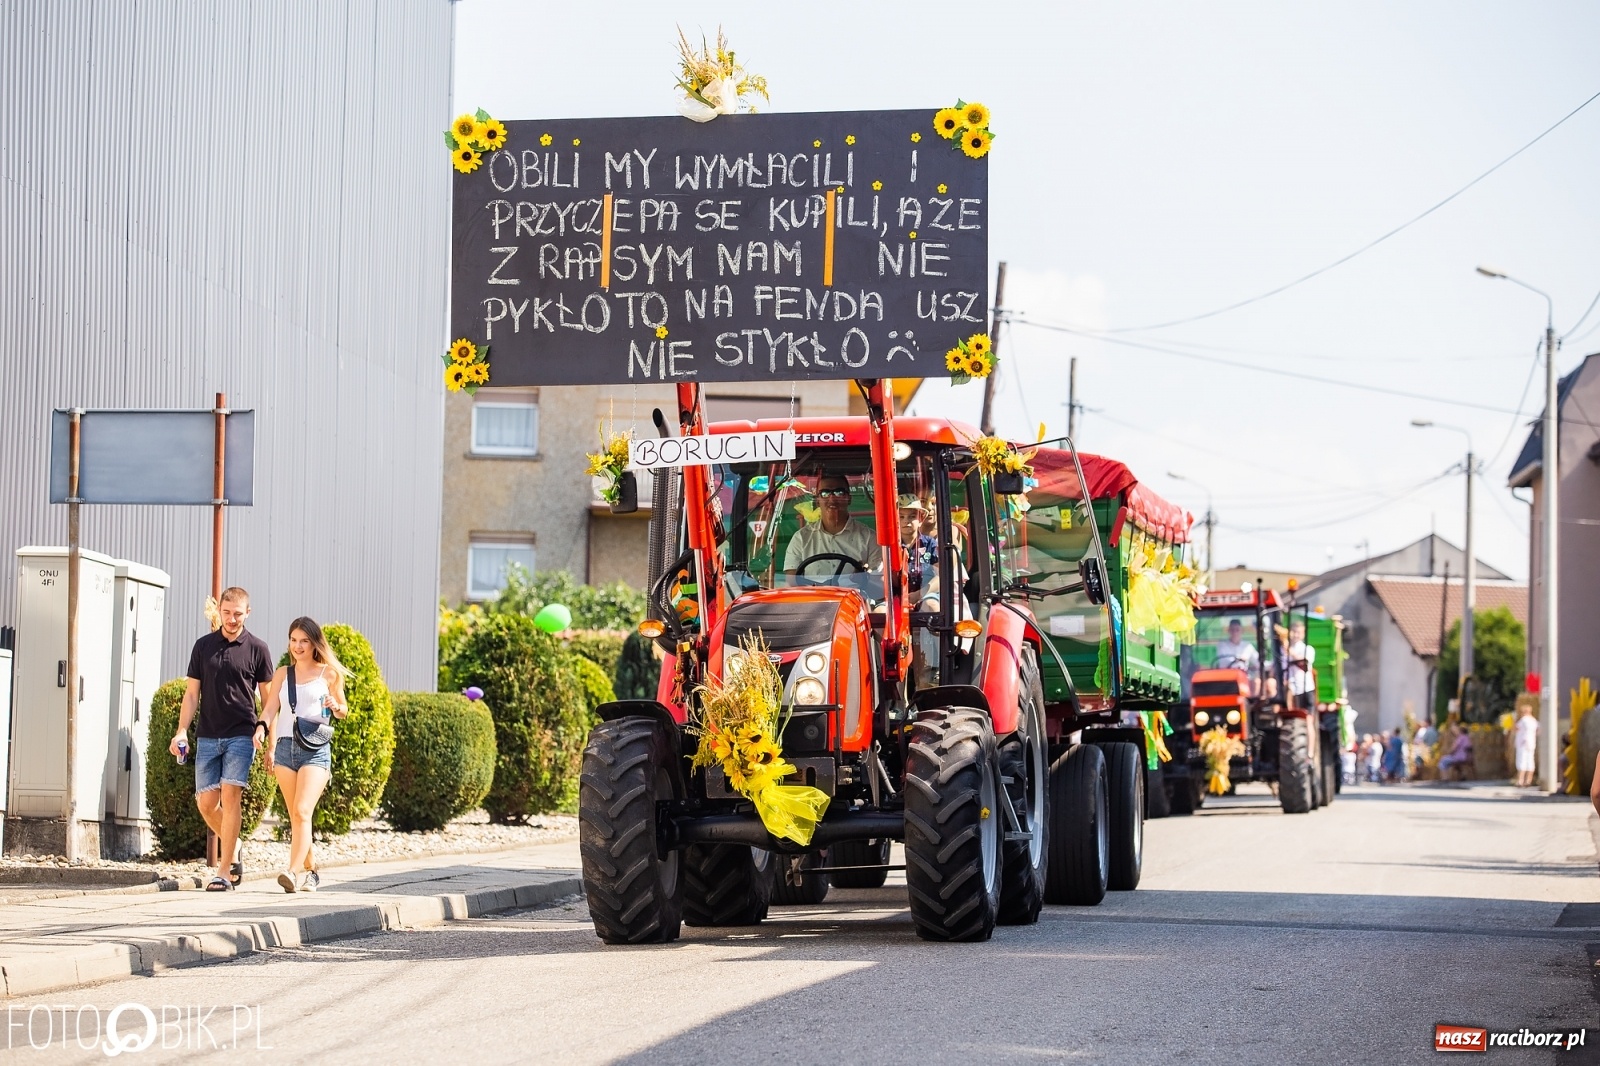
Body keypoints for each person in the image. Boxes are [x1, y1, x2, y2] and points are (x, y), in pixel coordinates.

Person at [171, 587, 275, 891]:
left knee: (231, 798)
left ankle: (224, 871)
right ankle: (235, 845)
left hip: (241, 735)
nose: (231, 619)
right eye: (226, 613)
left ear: (248, 613)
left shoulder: (258, 649)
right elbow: (192, 695)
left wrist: (265, 731)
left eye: (237, 614)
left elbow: (269, 701)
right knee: (206, 804)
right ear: (220, 610)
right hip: (207, 735)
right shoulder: (203, 647)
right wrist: (181, 730)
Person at [258, 617, 349, 893]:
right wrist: (261, 727)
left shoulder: (329, 674)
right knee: (297, 817)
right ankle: (312, 872)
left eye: (304, 641)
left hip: (316, 749)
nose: (297, 646)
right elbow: (271, 705)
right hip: (286, 748)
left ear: (314, 644)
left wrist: (336, 706)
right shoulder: (283, 674)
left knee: (302, 811)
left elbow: (344, 711)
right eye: (293, 640)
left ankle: (291, 871)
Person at [784, 473, 882, 578]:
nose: (832, 499)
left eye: (839, 493)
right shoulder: (801, 538)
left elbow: (877, 580)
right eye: (825, 493)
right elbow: (793, 581)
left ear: (849, 498)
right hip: (814, 594)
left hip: (855, 593)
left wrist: (863, 578)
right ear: (817, 501)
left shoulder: (869, 538)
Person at [1213, 618, 1261, 692]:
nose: (1235, 632)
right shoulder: (1222, 645)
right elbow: (1223, 661)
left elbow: (1258, 661)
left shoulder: (1247, 646)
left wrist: (1268, 665)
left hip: (1244, 677)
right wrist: (1239, 660)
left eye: (1237, 630)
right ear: (1228, 631)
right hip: (1227, 679)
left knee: (1257, 682)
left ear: (1242, 631)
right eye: (1232, 630)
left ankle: (1254, 702)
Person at [1513, 704, 1539, 788]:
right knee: (1530, 761)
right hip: (1531, 743)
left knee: (1521, 761)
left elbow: (1515, 728)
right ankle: (1528, 780)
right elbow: (1539, 730)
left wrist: (1513, 721)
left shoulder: (1523, 720)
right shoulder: (1534, 721)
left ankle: (1520, 780)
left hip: (1522, 743)